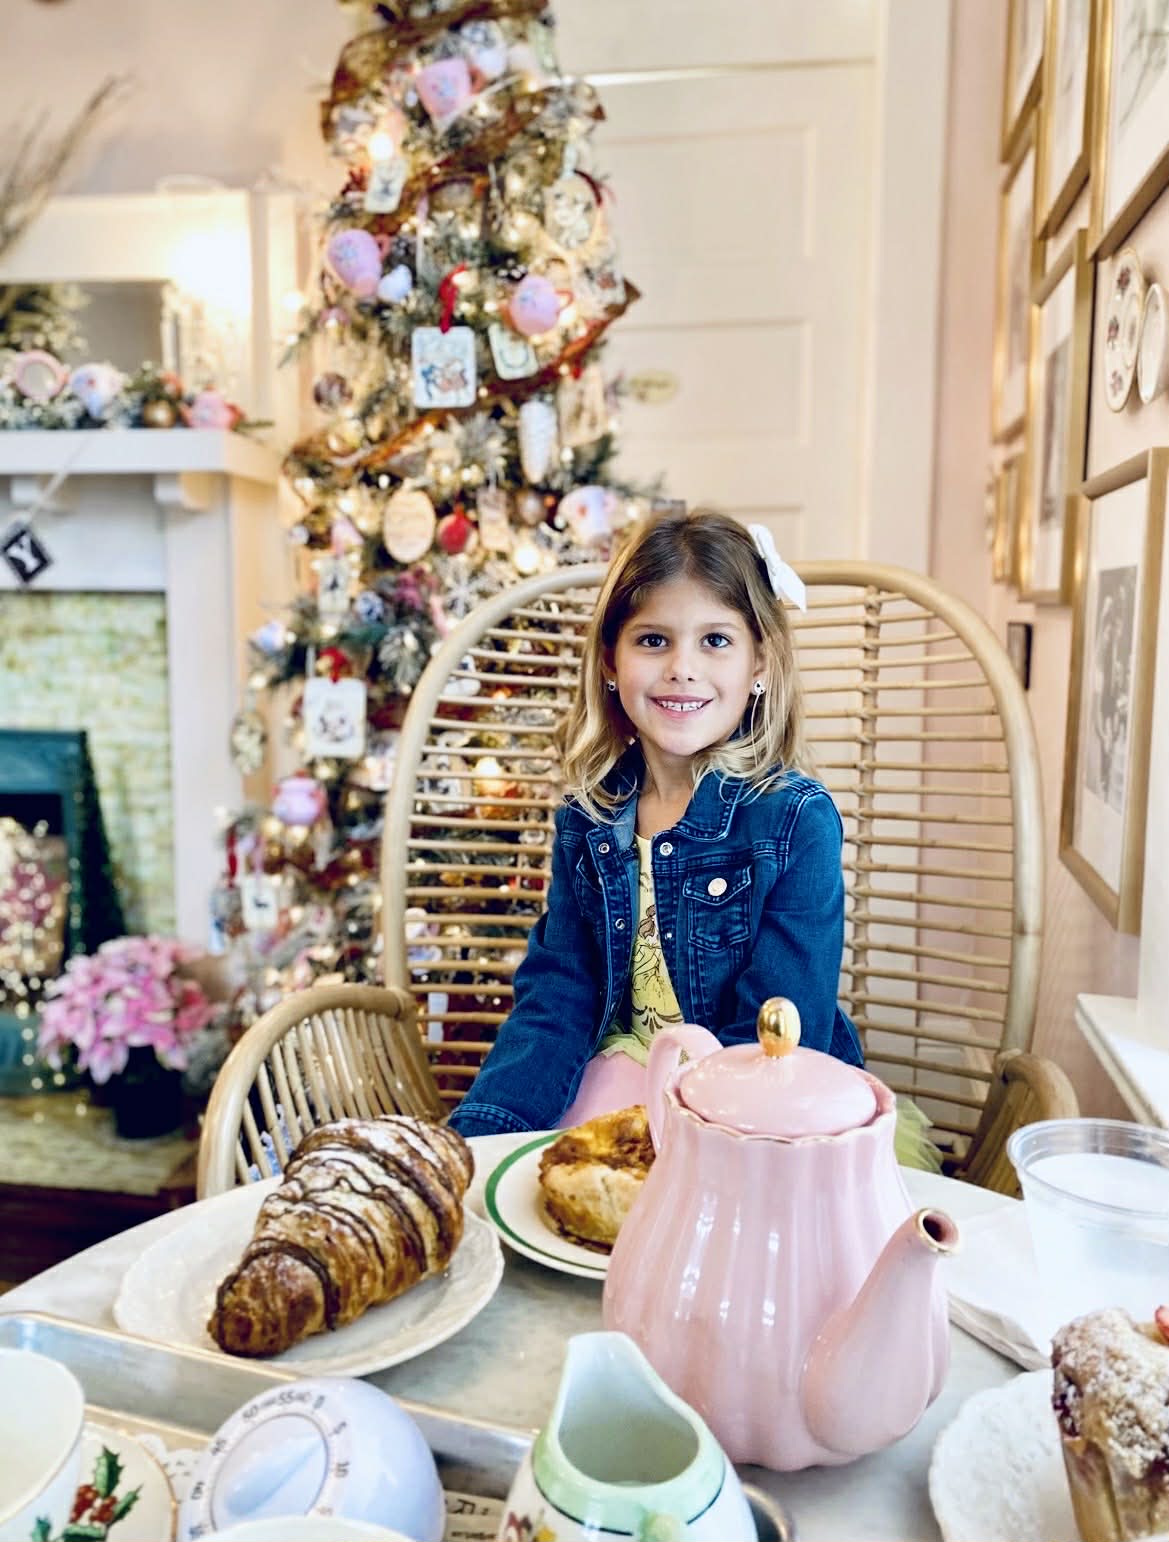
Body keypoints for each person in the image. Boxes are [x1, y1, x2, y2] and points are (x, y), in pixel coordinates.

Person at [449, 510, 922, 1154]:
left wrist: (681, 1148)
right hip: (613, 1084)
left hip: (750, 1112)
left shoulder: (793, 823)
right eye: (652, 640)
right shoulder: (588, 818)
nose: (682, 667)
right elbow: (557, 996)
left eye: (716, 641)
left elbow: (778, 1036)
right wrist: (481, 1138)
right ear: (610, 663)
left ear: (760, 663)